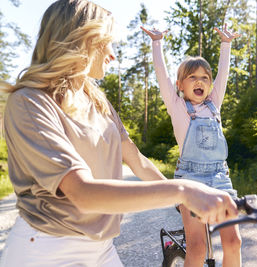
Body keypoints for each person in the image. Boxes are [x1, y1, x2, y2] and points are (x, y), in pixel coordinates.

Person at [0, 1, 238, 266]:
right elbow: (81, 191)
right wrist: (183, 190)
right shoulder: (30, 102)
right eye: (106, 43)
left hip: (102, 247)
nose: (112, 54)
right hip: (48, 249)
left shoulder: (97, 100)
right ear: (83, 41)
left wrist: (183, 200)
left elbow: (137, 161)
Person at [141, 24, 242, 267]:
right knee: (197, 247)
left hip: (220, 178)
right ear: (180, 85)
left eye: (205, 78)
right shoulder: (176, 106)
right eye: (193, 77)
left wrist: (225, 45)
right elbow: (161, 74)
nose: (200, 81)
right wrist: (157, 43)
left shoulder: (213, 103)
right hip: (191, 178)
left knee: (234, 242)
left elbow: (223, 74)